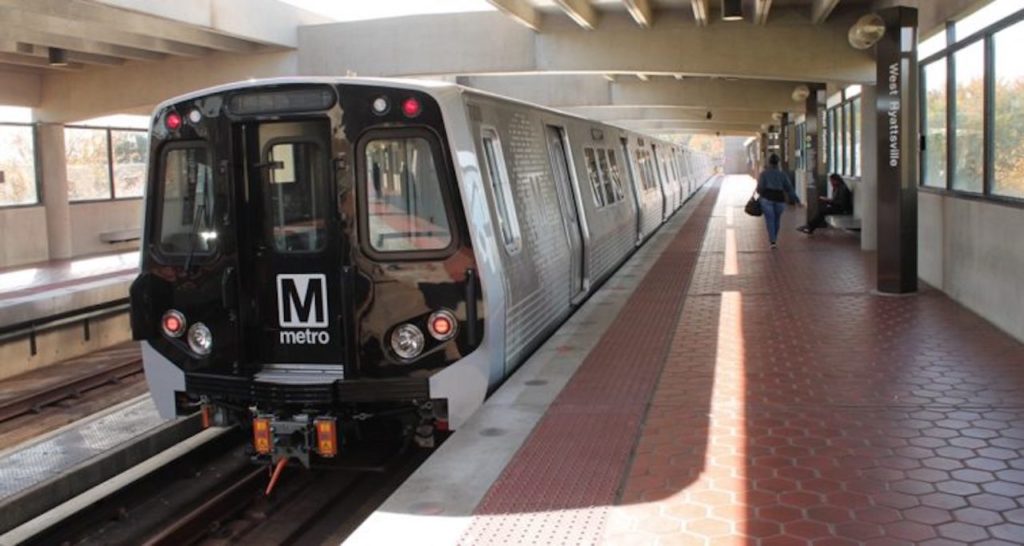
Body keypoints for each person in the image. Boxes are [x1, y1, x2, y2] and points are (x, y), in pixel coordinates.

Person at [756, 154, 800, 249]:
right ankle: (774, 238)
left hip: (767, 198)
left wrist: (761, 193)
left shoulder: (764, 174)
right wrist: (797, 200)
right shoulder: (782, 174)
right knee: (777, 219)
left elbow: (760, 188)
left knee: (769, 220)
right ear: (778, 163)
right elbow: (789, 188)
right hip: (779, 199)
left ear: (769, 162)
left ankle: (772, 241)